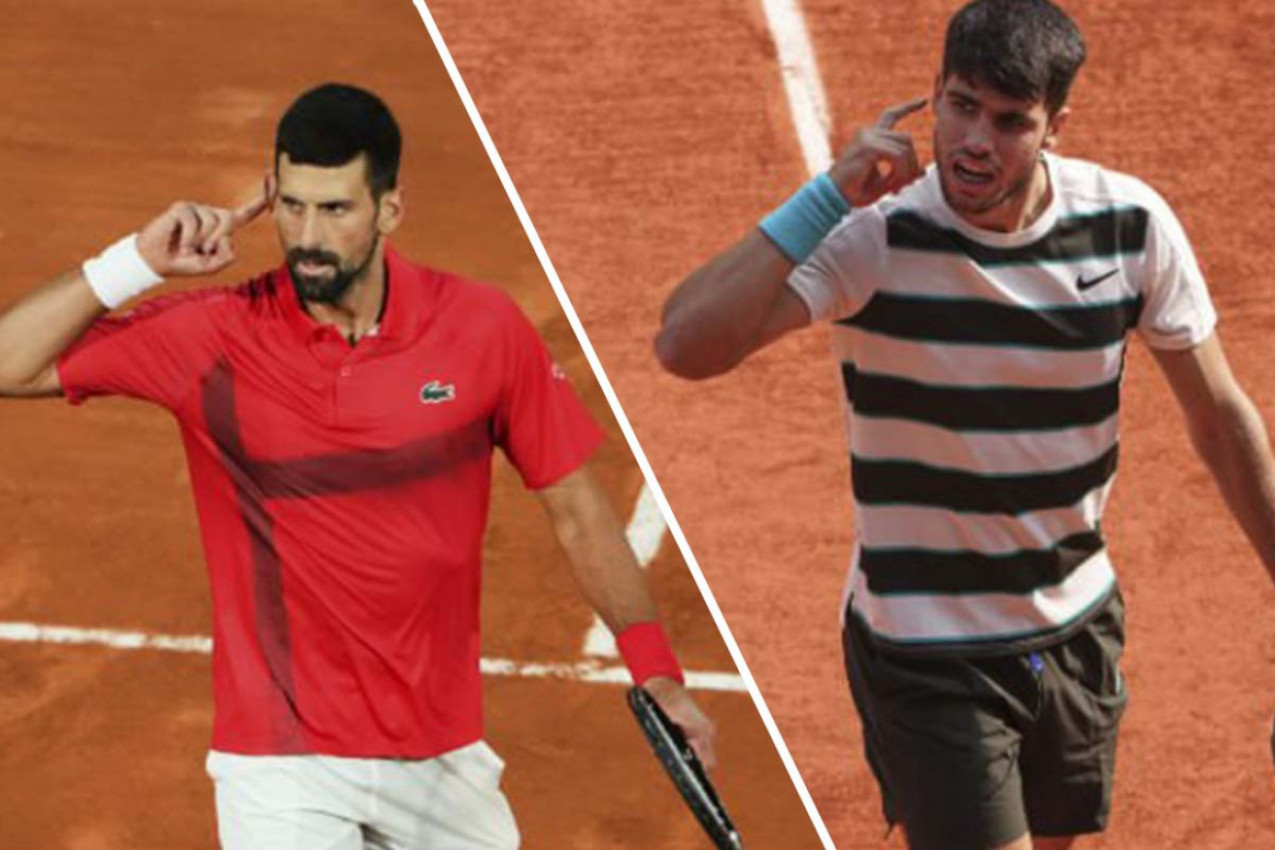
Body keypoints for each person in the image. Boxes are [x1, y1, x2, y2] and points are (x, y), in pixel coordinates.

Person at [0, 82, 714, 850]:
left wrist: (656, 670)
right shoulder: (213, 334)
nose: (308, 236)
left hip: (441, 754)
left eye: (335, 209)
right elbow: (9, 363)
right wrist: (134, 262)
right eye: (293, 206)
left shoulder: (481, 328)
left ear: (389, 209)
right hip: (281, 760)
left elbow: (574, 505)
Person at [656, 0, 1275, 848]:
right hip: (928, 647)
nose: (976, 140)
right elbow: (684, 345)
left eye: (1010, 121)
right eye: (961, 106)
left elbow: (1219, 417)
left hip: (1073, 626)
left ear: (1055, 127)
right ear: (934, 93)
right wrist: (825, 197)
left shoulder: (1127, 228)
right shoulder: (876, 237)